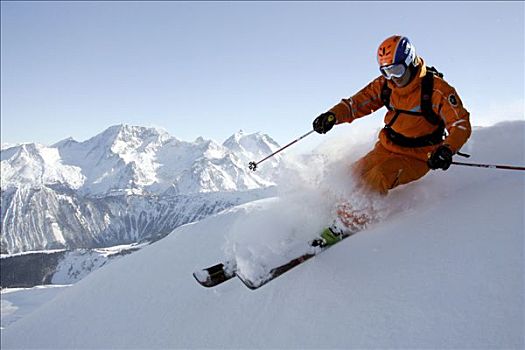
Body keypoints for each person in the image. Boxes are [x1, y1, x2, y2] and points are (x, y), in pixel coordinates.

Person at [312, 35, 472, 245]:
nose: (393, 78)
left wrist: (446, 150)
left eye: (397, 71)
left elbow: (460, 123)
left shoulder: (437, 90)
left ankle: (343, 226)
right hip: (386, 147)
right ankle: (323, 212)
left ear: (411, 62)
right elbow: (356, 104)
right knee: (351, 174)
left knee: (376, 177)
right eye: (386, 72)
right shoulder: (386, 85)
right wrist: (333, 116)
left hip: (417, 156)